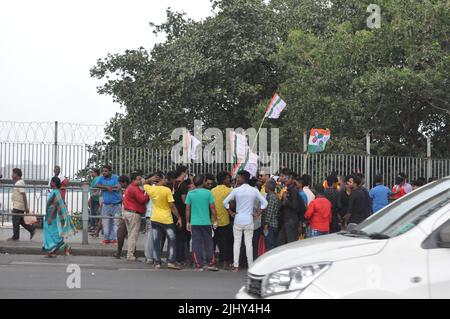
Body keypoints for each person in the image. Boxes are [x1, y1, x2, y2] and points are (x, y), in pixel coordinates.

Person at [223, 170, 268, 272]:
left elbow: (225, 202)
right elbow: (264, 203)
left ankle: (236, 266)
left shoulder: (236, 190)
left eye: (238, 177)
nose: (237, 179)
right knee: (249, 244)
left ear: (243, 178)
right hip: (249, 220)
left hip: (238, 219)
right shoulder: (254, 190)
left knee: (237, 243)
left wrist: (230, 212)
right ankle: (251, 265)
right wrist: (258, 213)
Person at [144, 172, 183, 270]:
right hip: (166, 219)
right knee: (172, 239)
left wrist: (150, 180)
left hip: (154, 218)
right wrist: (179, 217)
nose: (166, 180)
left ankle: (157, 262)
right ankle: (170, 261)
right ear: (161, 179)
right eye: (164, 179)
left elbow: (144, 183)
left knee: (156, 240)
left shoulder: (151, 189)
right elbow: (172, 206)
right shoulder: (167, 190)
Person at [185, 175, 219, 271]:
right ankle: (210, 263)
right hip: (206, 222)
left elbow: (187, 209)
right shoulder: (208, 193)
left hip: (194, 223)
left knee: (196, 243)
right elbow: (212, 208)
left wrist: (187, 222)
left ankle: (199, 264)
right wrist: (215, 220)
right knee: (209, 243)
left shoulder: (190, 194)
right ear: (203, 182)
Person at [43, 177, 76, 257]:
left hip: (52, 215)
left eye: (51, 181)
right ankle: (58, 249)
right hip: (49, 214)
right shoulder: (55, 192)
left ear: (54, 183)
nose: (50, 183)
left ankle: (57, 250)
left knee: (53, 233)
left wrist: (50, 217)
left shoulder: (56, 192)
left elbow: (55, 206)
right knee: (51, 233)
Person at [122, 171, 149, 261]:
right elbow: (142, 199)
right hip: (133, 213)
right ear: (134, 180)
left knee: (131, 235)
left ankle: (130, 253)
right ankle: (130, 255)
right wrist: (149, 192)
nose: (141, 180)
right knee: (133, 235)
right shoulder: (134, 188)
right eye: (139, 179)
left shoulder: (130, 187)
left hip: (127, 212)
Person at [211, 171, 233, 270]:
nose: (230, 180)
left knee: (213, 242)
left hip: (213, 221)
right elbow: (232, 204)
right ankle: (225, 263)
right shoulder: (229, 190)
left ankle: (212, 261)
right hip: (225, 221)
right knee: (225, 243)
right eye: (228, 178)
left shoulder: (212, 191)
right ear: (224, 179)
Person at [95, 165, 122, 244]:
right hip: (106, 204)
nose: (104, 172)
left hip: (116, 204)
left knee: (116, 223)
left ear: (110, 171)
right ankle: (106, 238)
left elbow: (118, 187)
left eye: (106, 171)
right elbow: (96, 185)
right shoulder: (101, 178)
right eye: (103, 171)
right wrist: (106, 187)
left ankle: (114, 239)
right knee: (105, 223)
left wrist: (109, 188)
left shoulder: (116, 177)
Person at [8, 168, 36, 241]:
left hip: (18, 206)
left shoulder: (19, 183)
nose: (12, 175)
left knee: (15, 221)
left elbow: (23, 195)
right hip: (18, 205)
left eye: (13, 173)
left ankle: (15, 237)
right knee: (20, 221)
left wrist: (26, 207)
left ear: (17, 174)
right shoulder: (19, 182)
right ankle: (31, 229)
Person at [278, 173, 306, 245]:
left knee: (291, 243)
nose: (285, 180)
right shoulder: (288, 190)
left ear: (291, 180)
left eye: (287, 178)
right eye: (285, 178)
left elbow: (295, 206)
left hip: (291, 220)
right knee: (280, 242)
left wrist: (286, 199)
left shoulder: (293, 190)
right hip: (286, 220)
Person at [173, 165, 191, 266]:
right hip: (182, 214)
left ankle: (175, 257)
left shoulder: (173, 183)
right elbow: (185, 201)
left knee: (175, 236)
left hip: (174, 212)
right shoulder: (183, 185)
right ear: (184, 172)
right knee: (182, 237)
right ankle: (180, 258)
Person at [114, 175, 131, 258]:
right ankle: (119, 252)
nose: (119, 185)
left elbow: (124, 201)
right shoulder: (126, 189)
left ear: (125, 182)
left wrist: (120, 191)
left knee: (125, 234)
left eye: (120, 183)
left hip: (128, 214)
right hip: (125, 214)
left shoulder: (129, 190)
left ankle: (122, 253)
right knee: (122, 234)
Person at [262, 179, 281, 251]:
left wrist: (266, 224)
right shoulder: (272, 196)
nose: (265, 188)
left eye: (265, 187)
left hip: (271, 225)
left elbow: (269, 212)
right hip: (273, 224)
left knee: (270, 245)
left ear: (268, 188)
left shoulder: (272, 197)